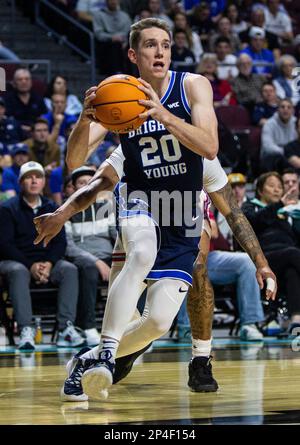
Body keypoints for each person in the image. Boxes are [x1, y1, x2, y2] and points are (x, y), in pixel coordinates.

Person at [34, 18, 276, 401]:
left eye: (165, 44)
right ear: (134, 54)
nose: (160, 51)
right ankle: (108, 354)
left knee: (157, 323)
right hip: (140, 200)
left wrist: (162, 114)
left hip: (182, 215)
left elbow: (210, 148)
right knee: (142, 252)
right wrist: (84, 118)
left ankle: (89, 359)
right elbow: (77, 162)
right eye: (150, 45)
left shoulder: (193, 85)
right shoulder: (118, 96)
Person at [0, 161, 86, 350]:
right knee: (18, 271)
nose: (34, 181)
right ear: (21, 182)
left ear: (43, 181)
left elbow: (61, 242)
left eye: (38, 176)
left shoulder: (54, 208)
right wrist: (30, 265)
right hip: (16, 262)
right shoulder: (7, 208)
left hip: (48, 264)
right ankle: (25, 329)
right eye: (29, 177)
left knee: (69, 270)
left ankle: (66, 329)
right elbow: (5, 245)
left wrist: (48, 263)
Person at [65, 165, 117, 346]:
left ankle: (132, 324)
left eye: (90, 182)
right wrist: (95, 261)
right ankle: (88, 326)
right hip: (83, 259)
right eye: (81, 183)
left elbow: (116, 235)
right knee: (88, 269)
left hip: (108, 256)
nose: (86, 185)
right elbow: (69, 247)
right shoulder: (66, 211)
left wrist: (124, 254)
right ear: (73, 187)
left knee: (131, 266)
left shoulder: (106, 207)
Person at [243, 172, 300, 334]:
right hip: (263, 258)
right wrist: (279, 205)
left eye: (280, 187)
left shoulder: (287, 212)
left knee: (292, 272)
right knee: (294, 254)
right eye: (272, 186)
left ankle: (296, 319)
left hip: (288, 257)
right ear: (260, 190)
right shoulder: (249, 206)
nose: (277, 190)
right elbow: (252, 223)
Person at [4, 68, 47, 137]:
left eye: (27, 79)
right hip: (14, 134)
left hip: (36, 134)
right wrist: (20, 127)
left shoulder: (38, 99)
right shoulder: (7, 100)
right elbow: (5, 119)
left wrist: (34, 128)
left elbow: (44, 116)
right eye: (20, 79)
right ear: (14, 83)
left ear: (31, 82)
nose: (24, 82)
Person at [260, 98, 297, 172]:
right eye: (282, 107)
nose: (285, 109)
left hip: (291, 156)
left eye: (289, 107)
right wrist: (287, 153)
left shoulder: (296, 123)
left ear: (293, 111)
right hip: (272, 157)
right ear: (278, 110)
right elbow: (268, 147)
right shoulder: (269, 124)